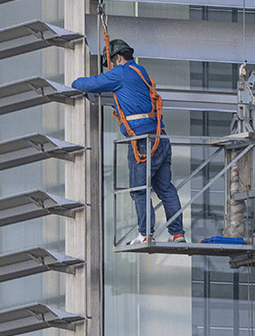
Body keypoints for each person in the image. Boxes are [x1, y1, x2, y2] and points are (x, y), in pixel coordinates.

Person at [73, 39, 186, 244]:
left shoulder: (121, 72)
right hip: (160, 138)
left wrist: (73, 82)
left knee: (139, 190)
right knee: (165, 188)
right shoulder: (141, 71)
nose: (112, 67)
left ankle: (145, 234)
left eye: (112, 63)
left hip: (142, 142)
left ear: (117, 57)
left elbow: (90, 83)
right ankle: (177, 234)